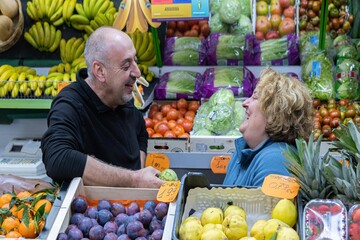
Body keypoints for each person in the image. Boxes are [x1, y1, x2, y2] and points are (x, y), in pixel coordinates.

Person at [41, 27, 163, 188]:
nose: (137, 72)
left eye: (135, 61)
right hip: (90, 210)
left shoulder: (122, 97)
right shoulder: (70, 104)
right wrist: (134, 179)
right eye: (126, 66)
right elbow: (58, 158)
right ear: (100, 71)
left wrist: (137, 180)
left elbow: (140, 132)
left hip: (132, 209)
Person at [223, 67, 313, 187]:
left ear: (275, 112)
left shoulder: (275, 160)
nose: (244, 103)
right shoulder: (243, 152)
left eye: (255, 97)